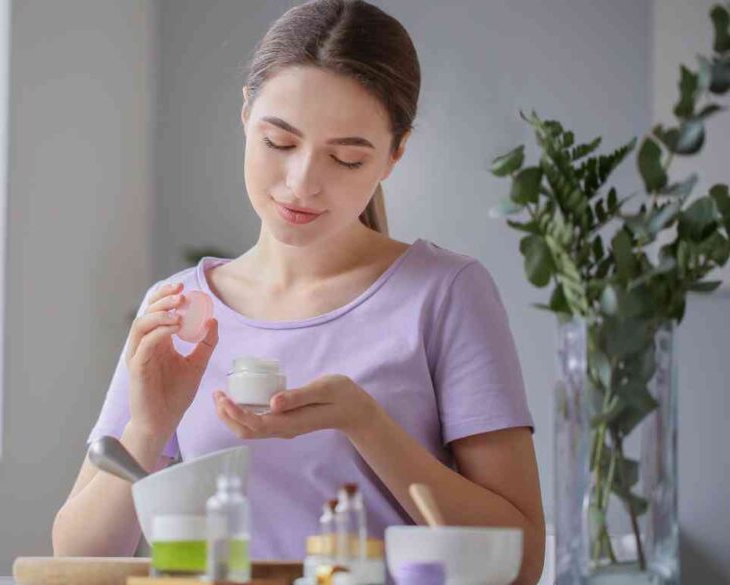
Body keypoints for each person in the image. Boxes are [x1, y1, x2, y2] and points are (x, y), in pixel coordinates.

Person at [53, 1, 545, 582]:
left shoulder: (446, 295)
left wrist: (367, 423)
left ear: (395, 154)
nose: (302, 183)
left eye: (346, 158)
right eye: (280, 143)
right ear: (245, 115)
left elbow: (520, 561)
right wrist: (147, 427)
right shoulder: (181, 307)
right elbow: (77, 559)